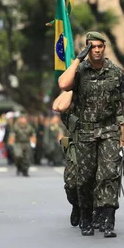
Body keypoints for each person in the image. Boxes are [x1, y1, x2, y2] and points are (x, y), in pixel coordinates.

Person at [58, 31, 124, 238]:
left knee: (109, 174)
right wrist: (77, 60)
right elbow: (63, 84)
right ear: (87, 48)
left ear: (104, 48)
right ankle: (86, 217)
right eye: (92, 47)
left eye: (100, 46)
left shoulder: (116, 72)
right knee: (85, 178)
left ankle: (108, 220)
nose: (97, 50)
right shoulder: (79, 71)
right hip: (85, 132)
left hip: (109, 130)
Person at [53, 90, 80, 227]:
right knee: (71, 183)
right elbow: (58, 106)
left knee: (100, 179)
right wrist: (70, 90)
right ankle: (77, 205)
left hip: (99, 140)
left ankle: (98, 211)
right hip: (77, 144)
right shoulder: (72, 99)